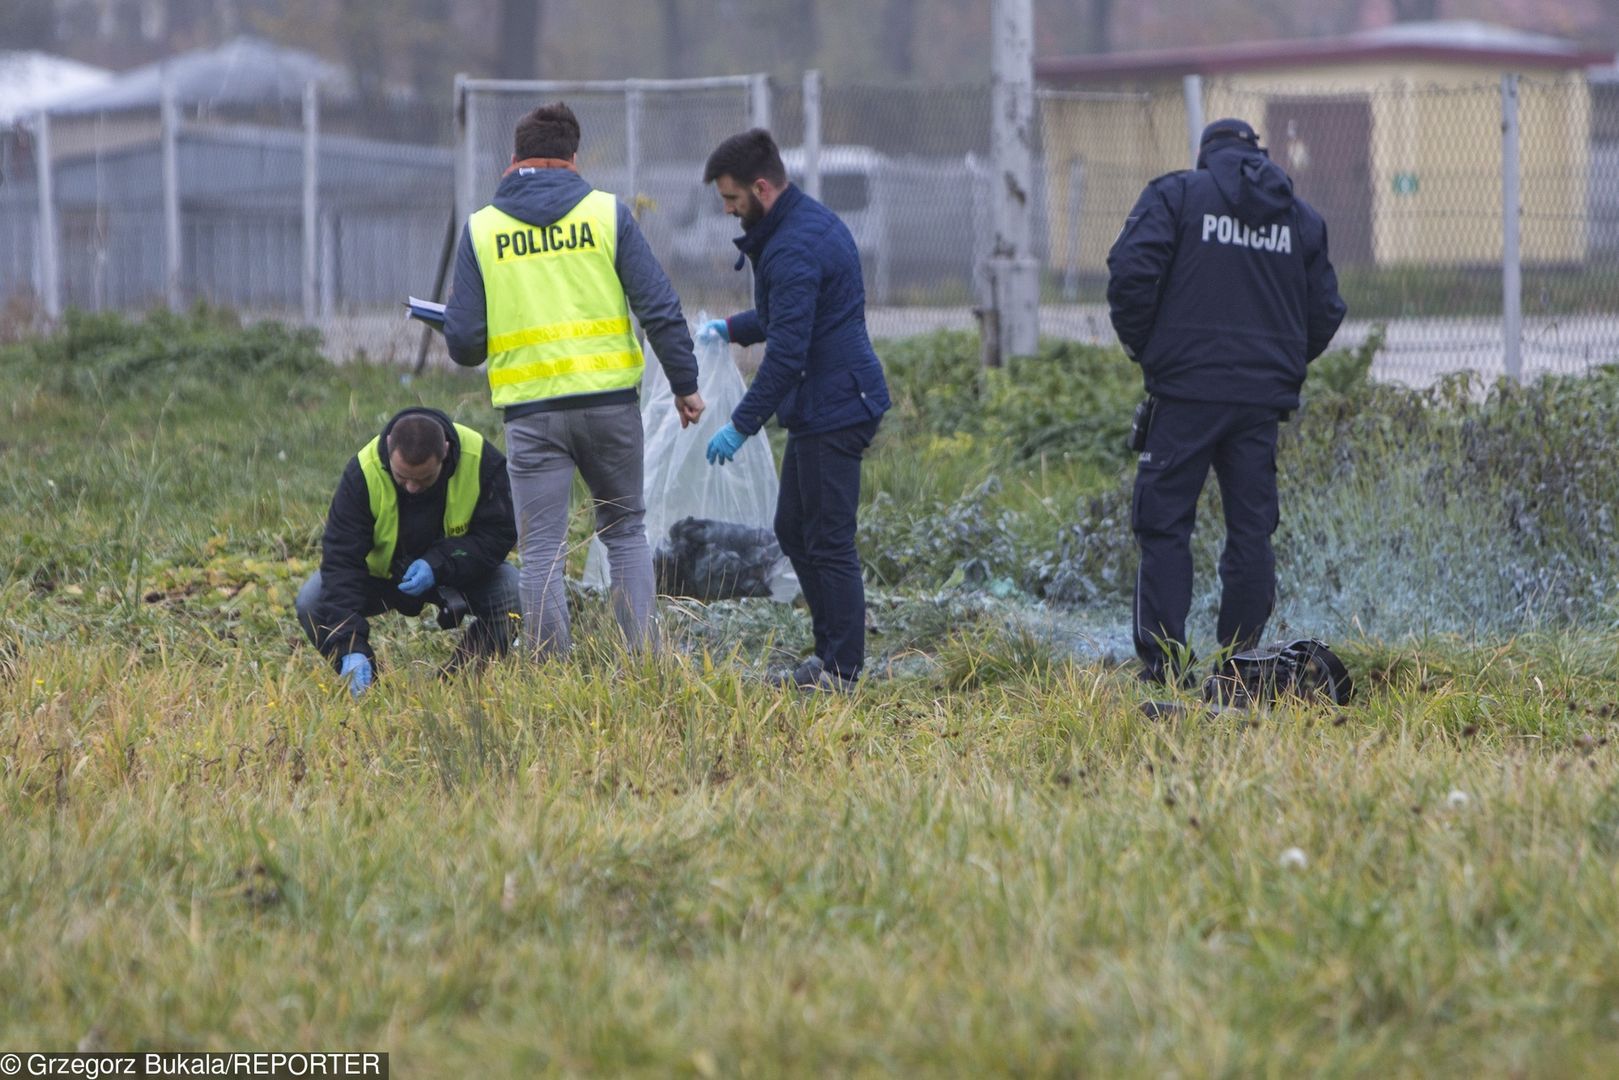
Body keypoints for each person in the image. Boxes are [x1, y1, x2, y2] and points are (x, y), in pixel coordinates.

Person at [443, 102, 704, 659]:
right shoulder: (607, 214)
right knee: (626, 533)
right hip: (610, 406)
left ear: (512, 158)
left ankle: (549, 673)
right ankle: (642, 664)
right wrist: (684, 383)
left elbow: (463, 343)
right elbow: (658, 305)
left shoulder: (482, 229)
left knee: (541, 551)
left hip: (532, 415)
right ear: (573, 157)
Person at [1107, 117, 1347, 691]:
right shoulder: (1300, 218)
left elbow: (1129, 276)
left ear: (1205, 155)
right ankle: (1244, 666)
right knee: (1251, 531)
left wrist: (1153, 352)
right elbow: (1327, 310)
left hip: (1185, 392)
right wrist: (1277, 363)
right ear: (1257, 154)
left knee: (1163, 524)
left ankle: (1166, 669)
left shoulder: (1177, 197)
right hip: (1259, 402)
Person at [698, 128, 891, 693]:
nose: (731, 213)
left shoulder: (795, 246)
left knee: (828, 538)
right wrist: (732, 329)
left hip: (838, 403)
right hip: (823, 400)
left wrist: (739, 424)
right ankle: (830, 653)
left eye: (734, 200)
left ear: (762, 188)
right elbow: (790, 315)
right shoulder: (794, 225)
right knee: (793, 528)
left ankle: (843, 670)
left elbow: (787, 351)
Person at [297, 407, 519, 697]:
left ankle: (456, 688)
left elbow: (499, 534)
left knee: (514, 591)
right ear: (389, 447)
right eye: (402, 478)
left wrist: (438, 563)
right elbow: (341, 562)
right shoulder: (363, 472)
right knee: (311, 601)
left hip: (456, 571)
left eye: (425, 479)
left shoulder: (480, 460)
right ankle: (368, 689)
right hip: (381, 577)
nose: (413, 488)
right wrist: (349, 646)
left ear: (446, 453)